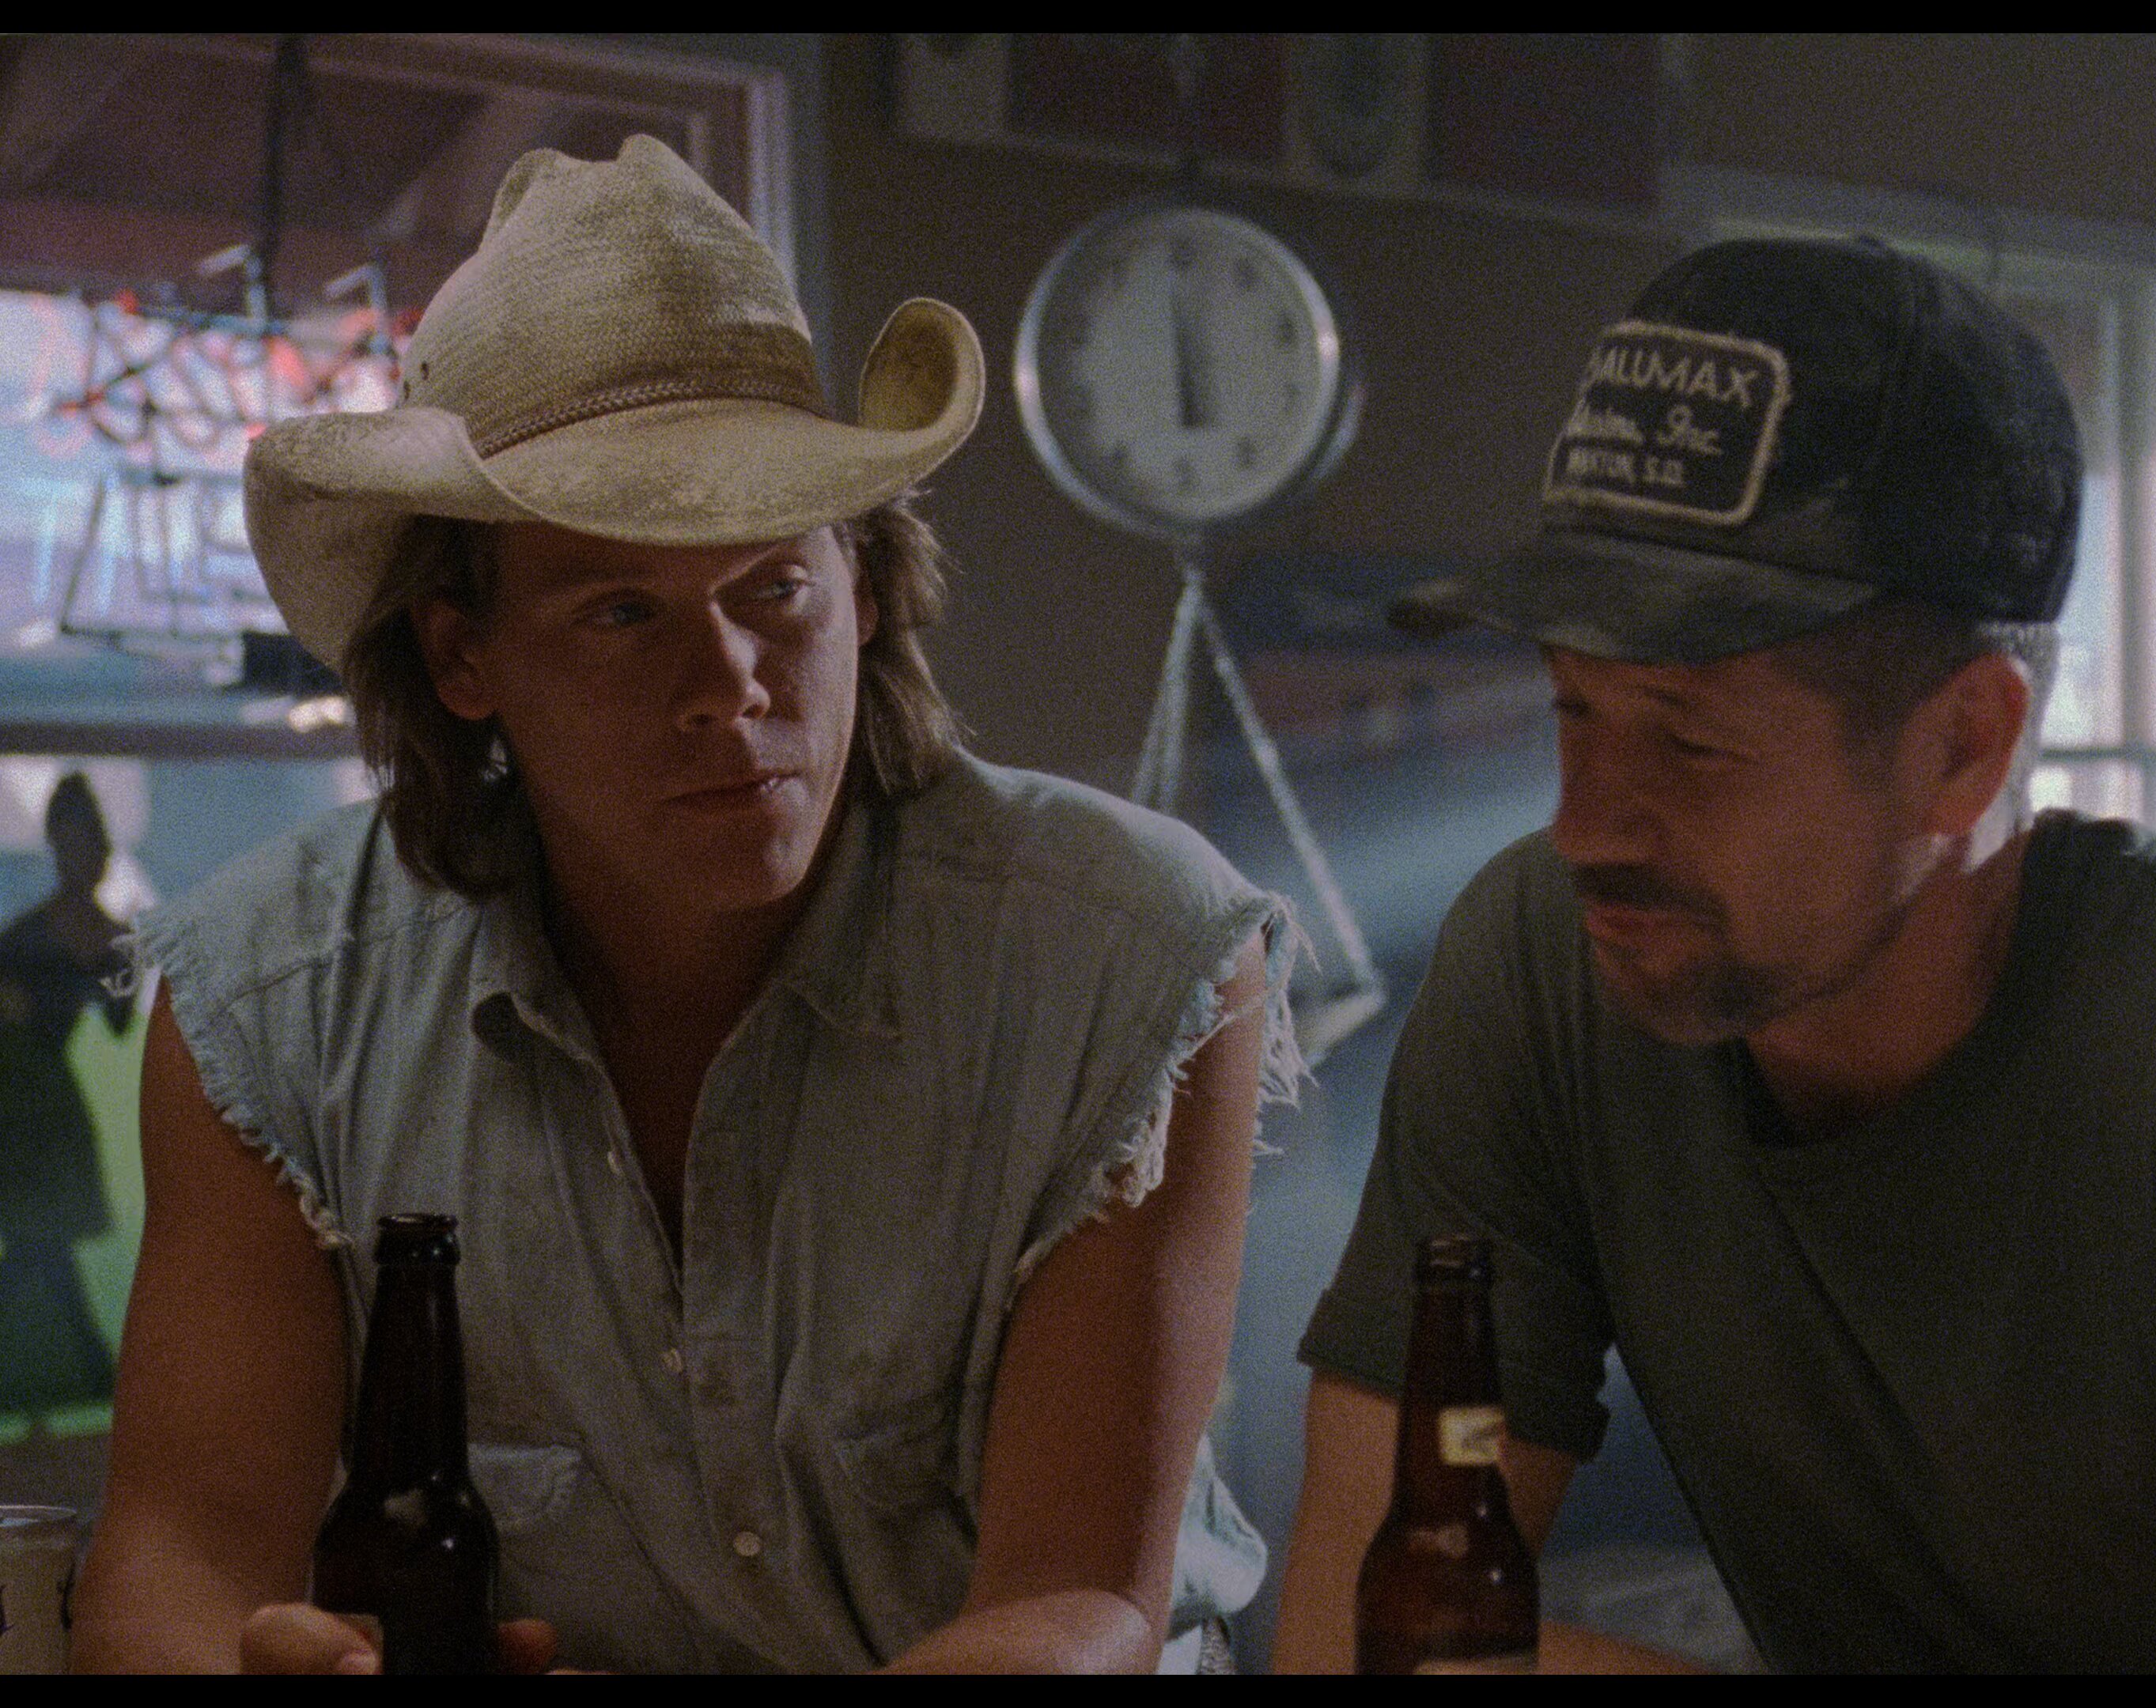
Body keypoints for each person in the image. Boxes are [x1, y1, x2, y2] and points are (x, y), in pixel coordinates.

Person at [1275, 239, 2156, 1672]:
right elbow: (1357, 1642)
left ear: (1964, 745)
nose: (1587, 826)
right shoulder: (1551, 969)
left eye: (1689, 742)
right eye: (1573, 713)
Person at [69, 137, 1294, 1675]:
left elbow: (1078, 1603)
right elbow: (179, 1562)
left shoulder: (1120, 953)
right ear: (463, 657)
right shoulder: (276, 1000)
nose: (729, 688)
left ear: (864, 588)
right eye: (622, 610)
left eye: (774, 589)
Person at [0, 773, 133, 1426]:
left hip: (46, 1106)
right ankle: (93, 1375)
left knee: (41, 1249)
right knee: (40, 1250)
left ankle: (91, 1377)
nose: (85, 856)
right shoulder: (29, 934)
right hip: (19, 1100)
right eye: (74, 843)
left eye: (92, 844)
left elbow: (120, 1019)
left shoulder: (105, 936)